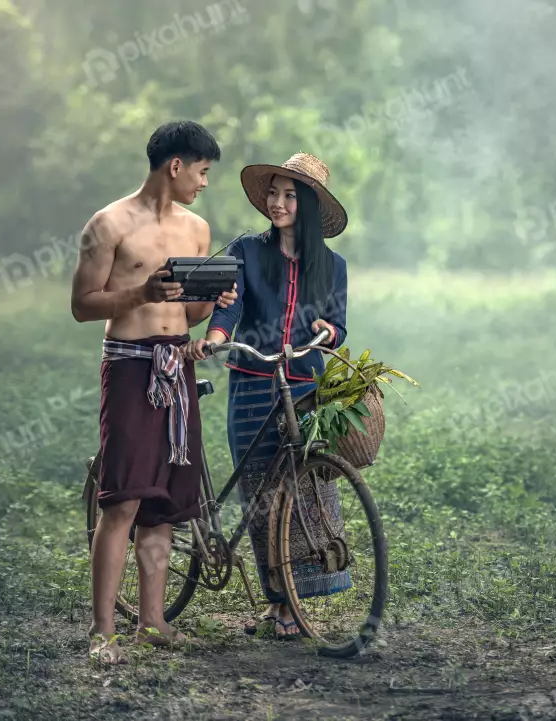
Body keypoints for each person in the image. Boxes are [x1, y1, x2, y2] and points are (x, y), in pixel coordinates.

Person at [70, 120, 238, 664]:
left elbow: (190, 313)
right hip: (129, 365)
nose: (204, 183)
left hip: (177, 363)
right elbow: (82, 305)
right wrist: (141, 292)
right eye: (202, 171)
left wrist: (214, 299)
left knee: (162, 503)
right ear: (176, 165)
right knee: (123, 499)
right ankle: (102, 630)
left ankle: (153, 622)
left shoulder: (197, 229)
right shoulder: (108, 223)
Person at [182, 152, 349, 639]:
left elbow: (339, 325)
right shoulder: (247, 251)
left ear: (309, 205)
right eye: (273, 193)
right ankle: (279, 601)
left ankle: (295, 598)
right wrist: (215, 337)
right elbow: (228, 307)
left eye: (289, 195)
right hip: (252, 380)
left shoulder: (333, 266)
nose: (277, 203)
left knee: (305, 491)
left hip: (305, 387)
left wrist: (328, 332)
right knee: (260, 494)